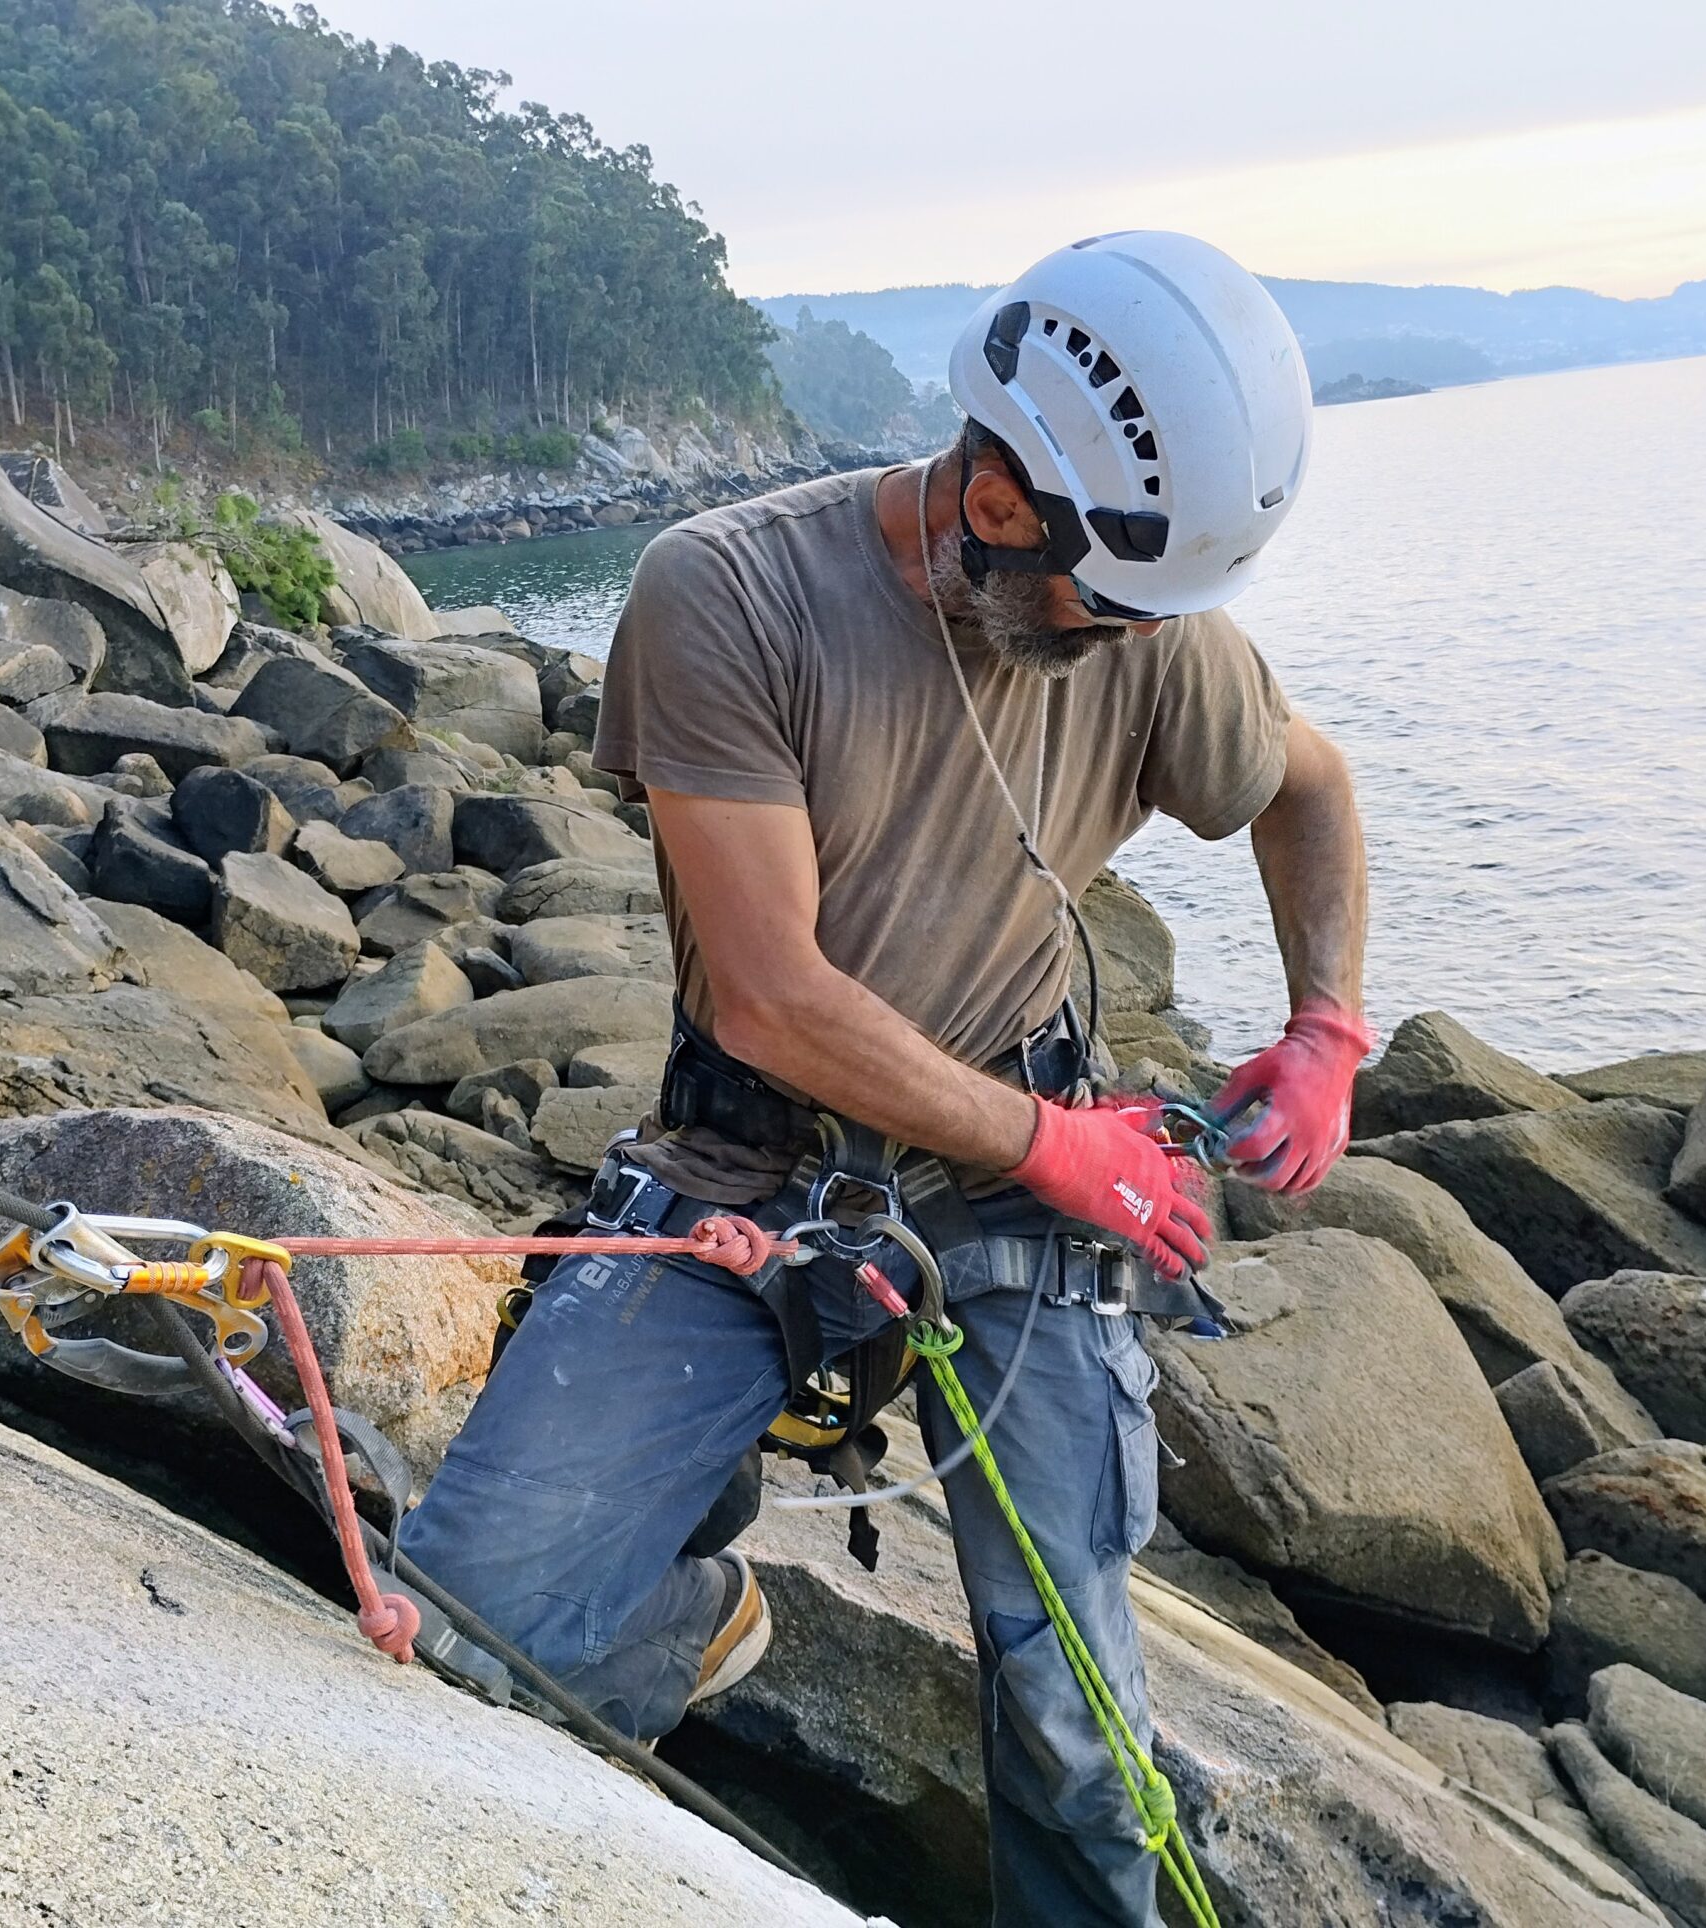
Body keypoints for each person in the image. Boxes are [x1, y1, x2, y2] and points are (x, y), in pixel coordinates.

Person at [400, 230, 1371, 1926]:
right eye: (1108, 599)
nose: (1125, 642)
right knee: (468, 1622)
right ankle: (683, 1618)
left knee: (1075, 1712)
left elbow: (1307, 785)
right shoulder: (729, 593)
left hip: (1017, 1161)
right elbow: (775, 996)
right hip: (755, 1164)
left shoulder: (1139, 627)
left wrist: (1327, 1030)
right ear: (1001, 499)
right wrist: (1066, 1153)